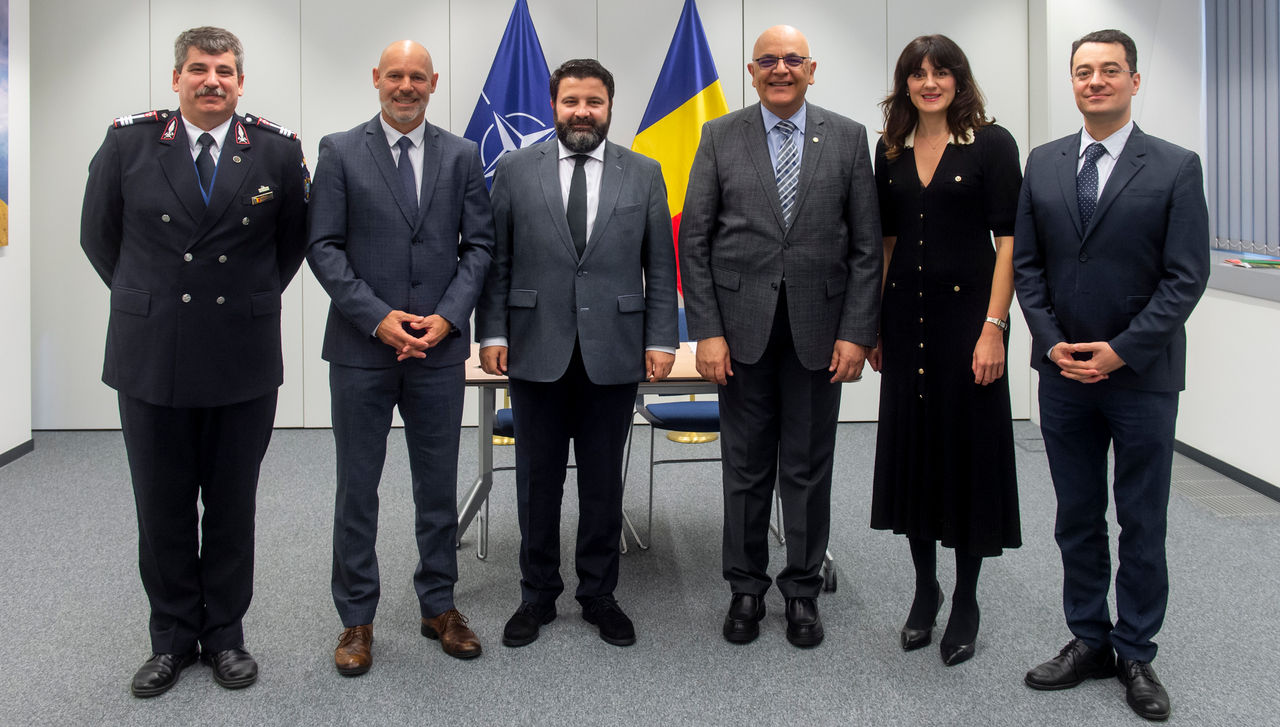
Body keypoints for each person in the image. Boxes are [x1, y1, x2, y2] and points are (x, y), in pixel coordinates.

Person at [80, 26, 309, 697]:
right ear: (176, 77)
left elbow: (290, 244)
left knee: (233, 504)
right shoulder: (130, 141)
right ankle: (172, 637)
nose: (214, 81)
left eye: (227, 71)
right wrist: (149, 301)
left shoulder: (274, 148)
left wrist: (237, 303)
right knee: (162, 504)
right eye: (200, 69)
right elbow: (100, 236)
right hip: (151, 355)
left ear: (242, 82)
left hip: (241, 356)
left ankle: (226, 635)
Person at [1013, 29, 1209, 722]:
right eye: (1083, 71)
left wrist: (1122, 349)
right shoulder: (1043, 163)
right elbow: (1027, 269)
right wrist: (1053, 342)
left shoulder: (1176, 167)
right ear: (1072, 82)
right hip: (1063, 374)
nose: (1094, 81)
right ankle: (1089, 636)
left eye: (1109, 71)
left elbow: (1187, 277)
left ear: (1133, 81)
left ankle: (1136, 649)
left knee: (1142, 517)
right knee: (1076, 514)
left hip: (1142, 376)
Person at [679, 25, 881, 648]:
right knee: (744, 467)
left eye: (793, 60)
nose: (781, 70)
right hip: (740, 336)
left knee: (808, 467)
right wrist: (707, 331)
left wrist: (855, 332)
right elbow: (696, 240)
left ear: (812, 69)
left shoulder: (847, 138)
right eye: (769, 61)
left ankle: (801, 591)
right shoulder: (719, 135)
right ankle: (745, 588)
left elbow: (868, 248)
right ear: (752, 70)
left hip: (821, 335)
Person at [306, 40, 494, 676]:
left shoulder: (462, 154)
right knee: (357, 488)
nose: (406, 86)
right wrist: (378, 318)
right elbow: (324, 246)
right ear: (376, 81)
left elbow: (480, 248)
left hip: (439, 351)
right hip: (363, 348)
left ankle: (438, 604)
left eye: (417, 76)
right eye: (395, 76)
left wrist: (447, 318)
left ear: (434, 82)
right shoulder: (338, 150)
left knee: (436, 486)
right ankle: (356, 617)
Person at [476, 58, 678, 648]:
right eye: (571, 102)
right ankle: (536, 595)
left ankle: (598, 593)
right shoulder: (514, 169)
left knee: (601, 482)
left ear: (610, 107)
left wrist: (661, 338)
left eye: (594, 101)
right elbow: (498, 261)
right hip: (535, 349)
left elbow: (659, 268)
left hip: (614, 351)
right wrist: (492, 334)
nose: (582, 112)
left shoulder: (643, 171)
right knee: (536, 481)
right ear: (553, 106)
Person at [867, 34, 1022, 667]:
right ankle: (924, 589)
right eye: (918, 73)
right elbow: (885, 241)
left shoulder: (991, 143)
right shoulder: (891, 149)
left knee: (966, 457)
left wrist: (995, 326)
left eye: (942, 72)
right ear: (904, 83)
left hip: (967, 325)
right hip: (906, 322)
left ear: (960, 78)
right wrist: (874, 322)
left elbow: (1008, 241)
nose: (930, 82)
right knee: (916, 454)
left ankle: (965, 598)